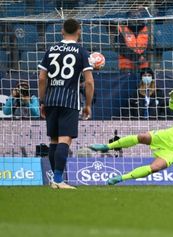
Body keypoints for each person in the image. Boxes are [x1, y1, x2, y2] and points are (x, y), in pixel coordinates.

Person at [38, 18, 95, 189]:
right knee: (65, 139)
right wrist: (88, 105)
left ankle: (55, 180)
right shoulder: (81, 52)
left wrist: (42, 101)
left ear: (61, 31)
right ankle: (58, 179)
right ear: (79, 31)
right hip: (69, 101)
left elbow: (42, 78)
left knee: (54, 140)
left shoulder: (51, 50)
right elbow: (90, 82)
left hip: (51, 100)